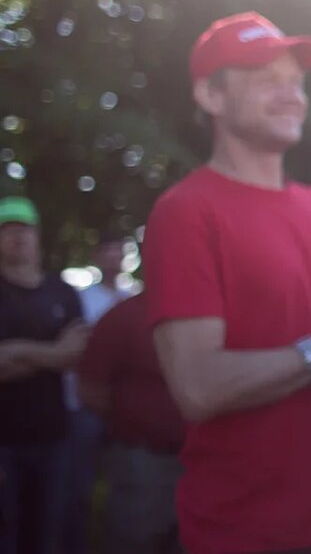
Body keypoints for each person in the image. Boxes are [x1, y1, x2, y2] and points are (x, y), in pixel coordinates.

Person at [143, 12, 311, 554]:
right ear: (211, 97)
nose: (291, 95)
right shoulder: (186, 212)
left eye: (296, 82)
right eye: (267, 80)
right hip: (249, 533)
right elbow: (197, 386)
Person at [0, 196, 88, 554]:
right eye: (7, 230)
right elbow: (64, 355)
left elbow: (79, 353)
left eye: (24, 229)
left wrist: (15, 351)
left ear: (38, 235)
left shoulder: (63, 292)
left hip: (55, 439)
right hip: (3, 443)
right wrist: (54, 354)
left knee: (47, 536)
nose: (17, 236)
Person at [78, 288, 186, 553]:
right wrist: (134, 422)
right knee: (136, 538)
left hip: (202, 461)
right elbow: (90, 389)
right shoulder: (123, 317)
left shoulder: (210, 315)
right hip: (141, 462)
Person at [63, 233, 132, 554]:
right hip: (86, 407)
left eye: (119, 251)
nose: (113, 257)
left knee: (126, 486)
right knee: (80, 488)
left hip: (127, 411)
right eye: (107, 251)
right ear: (98, 256)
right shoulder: (81, 299)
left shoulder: (134, 298)